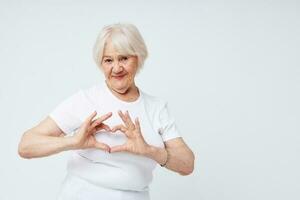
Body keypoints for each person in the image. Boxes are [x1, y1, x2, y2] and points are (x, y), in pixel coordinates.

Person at [18, 23, 195, 200]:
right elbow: (26, 145)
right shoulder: (86, 100)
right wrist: (73, 142)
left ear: (138, 58)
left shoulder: (156, 108)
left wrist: (149, 150)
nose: (116, 68)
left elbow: (187, 165)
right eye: (108, 60)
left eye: (124, 58)